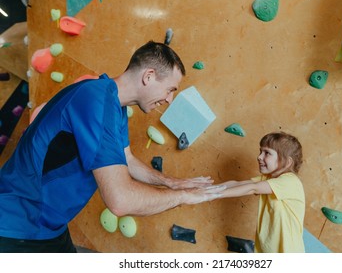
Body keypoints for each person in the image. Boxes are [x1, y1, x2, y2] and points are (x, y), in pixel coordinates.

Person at [0, 41, 224, 253]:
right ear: (148, 76)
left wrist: (172, 182)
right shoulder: (96, 99)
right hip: (17, 223)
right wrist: (184, 197)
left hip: (48, 225)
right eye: (170, 89)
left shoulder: (114, 105)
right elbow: (120, 200)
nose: (169, 99)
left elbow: (127, 159)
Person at [219, 132, 305, 253]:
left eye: (267, 153)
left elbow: (253, 188)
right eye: (260, 152)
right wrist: (206, 190)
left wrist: (210, 195)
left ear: (287, 162)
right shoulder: (269, 179)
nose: (259, 157)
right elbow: (239, 184)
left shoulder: (290, 181)